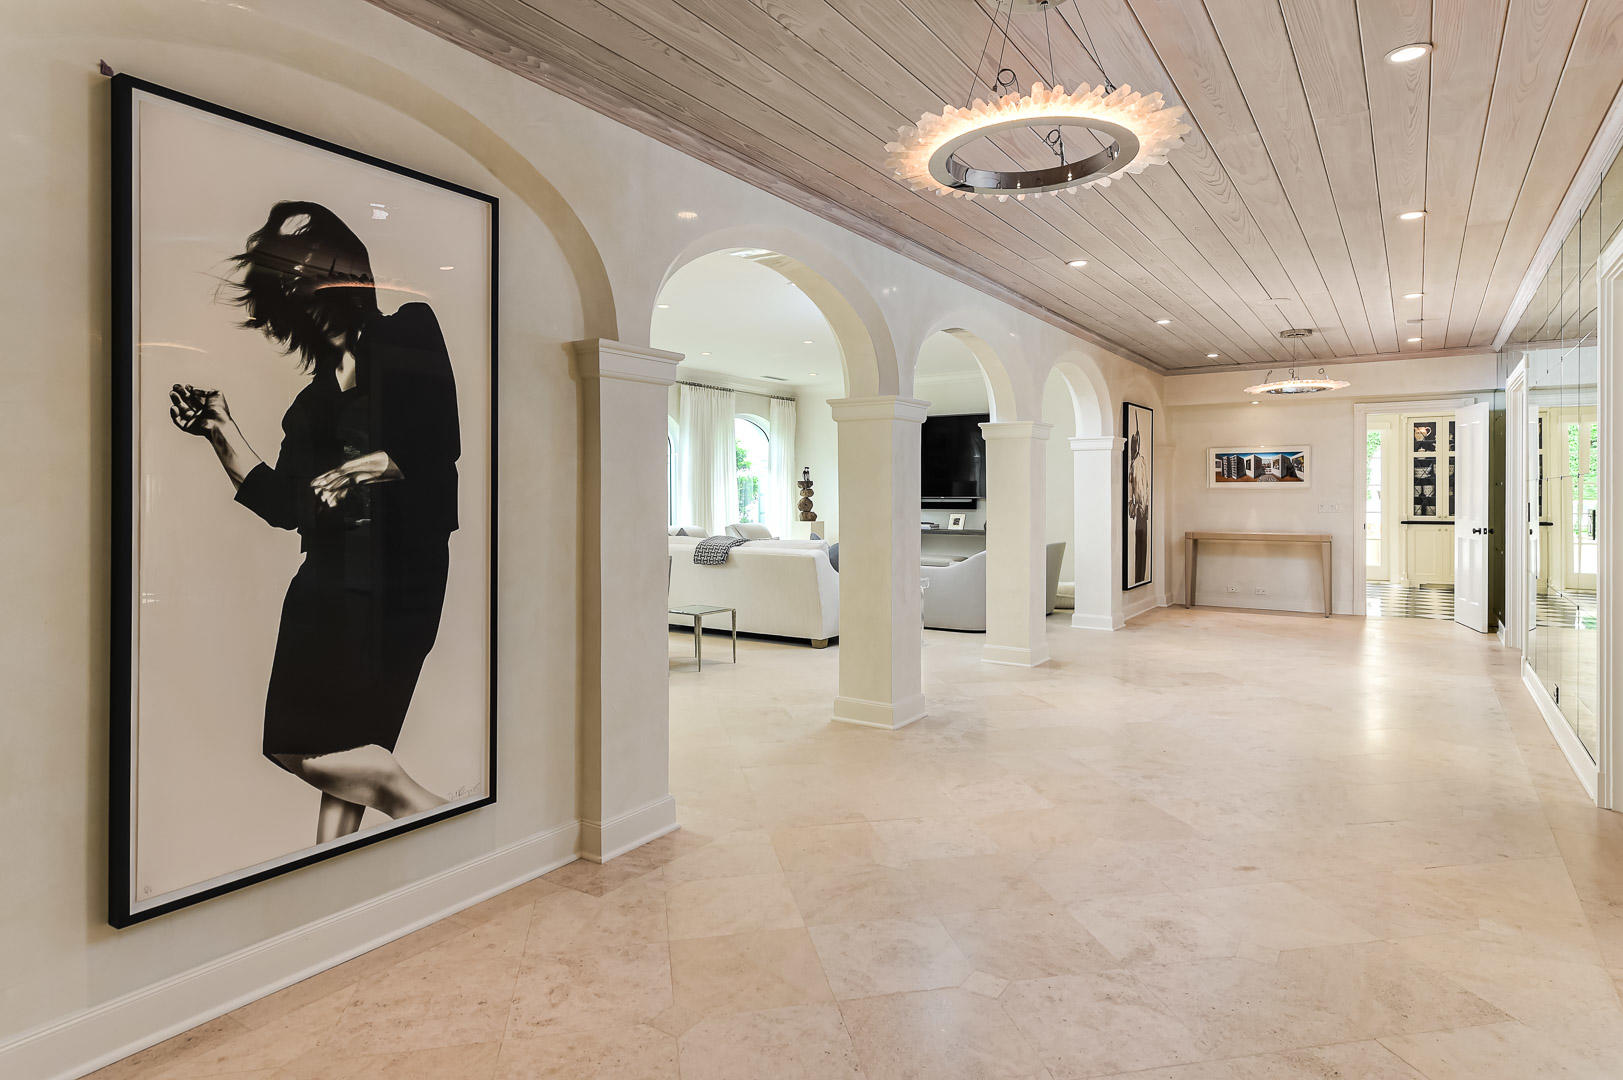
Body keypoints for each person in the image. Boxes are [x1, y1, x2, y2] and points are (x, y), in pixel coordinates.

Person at [171, 200, 458, 843]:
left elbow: (439, 445)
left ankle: (425, 811)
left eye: (308, 274)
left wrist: (364, 469)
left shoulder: (409, 331)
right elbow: (282, 506)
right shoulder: (309, 407)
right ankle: (332, 867)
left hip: (403, 580)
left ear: (343, 276)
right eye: (288, 284)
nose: (301, 293)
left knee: (321, 746)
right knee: (326, 745)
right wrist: (220, 433)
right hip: (326, 582)